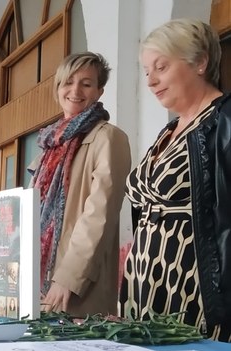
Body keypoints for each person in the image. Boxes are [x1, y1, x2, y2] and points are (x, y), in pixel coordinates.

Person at [119, 19, 231, 342]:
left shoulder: (223, 121)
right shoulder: (168, 132)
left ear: (200, 63)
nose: (151, 80)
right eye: (146, 71)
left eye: (161, 67)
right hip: (145, 295)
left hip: (196, 302)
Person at [28, 52, 131, 316]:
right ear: (58, 88)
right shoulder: (49, 144)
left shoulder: (108, 138)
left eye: (86, 83)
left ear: (99, 91)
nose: (75, 90)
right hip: (36, 281)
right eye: (68, 82)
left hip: (76, 284)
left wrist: (68, 277)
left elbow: (100, 215)